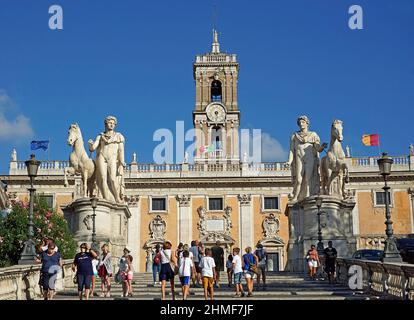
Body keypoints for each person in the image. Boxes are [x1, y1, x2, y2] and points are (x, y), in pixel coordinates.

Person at [288, 115, 327, 201]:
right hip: (299, 158)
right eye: (300, 123)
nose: (301, 124)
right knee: (298, 179)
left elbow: (317, 148)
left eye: (303, 122)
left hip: (310, 157)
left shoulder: (313, 135)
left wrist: (322, 147)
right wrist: (289, 161)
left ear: (307, 123)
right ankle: (295, 197)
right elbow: (291, 150)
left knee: (308, 178)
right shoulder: (294, 136)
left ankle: (308, 197)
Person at [88, 115, 125, 203]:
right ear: (106, 124)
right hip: (102, 156)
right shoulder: (100, 136)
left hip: (112, 157)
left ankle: (117, 198)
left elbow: (121, 150)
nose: (111, 125)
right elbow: (93, 148)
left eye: (113, 123)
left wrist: (121, 162)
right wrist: (90, 144)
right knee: (102, 178)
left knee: (112, 178)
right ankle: (106, 199)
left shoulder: (118, 136)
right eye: (110, 123)